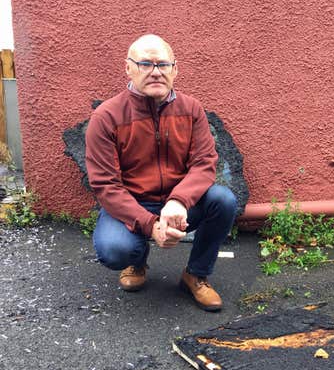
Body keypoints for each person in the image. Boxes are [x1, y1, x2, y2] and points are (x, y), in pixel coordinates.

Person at [85, 34, 237, 311]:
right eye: (145, 64)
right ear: (128, 68)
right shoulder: (107, 116)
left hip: (179, 205)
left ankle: (196, 274)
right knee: (115, 250)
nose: (155, 72)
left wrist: (178, 200)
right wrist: (151, 225)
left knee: (223, 200)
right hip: (132, 204)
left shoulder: (192, 110)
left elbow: (204, 162)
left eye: (163, 64)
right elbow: (105, 184)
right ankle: (136, 261)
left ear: (175, 69)